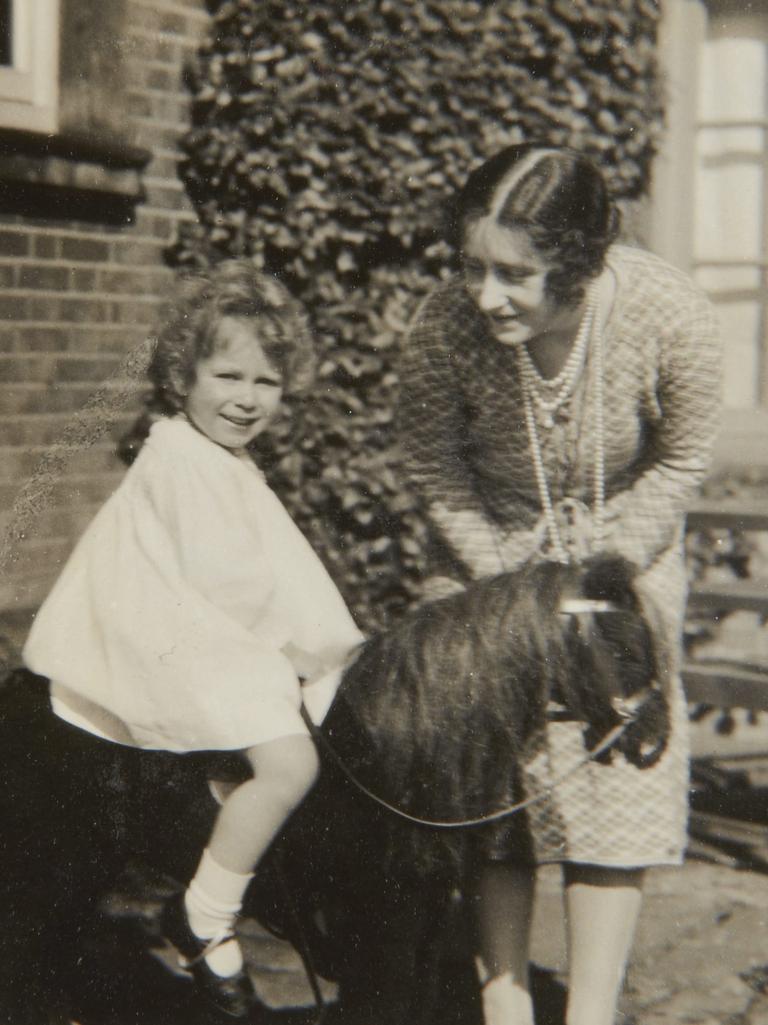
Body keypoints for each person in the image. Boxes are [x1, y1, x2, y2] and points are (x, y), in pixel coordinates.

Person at [396, 144, 722, 1025]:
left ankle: (589, 1012)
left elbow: (684, 453)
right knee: (495, 786)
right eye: (472, 266)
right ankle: (504, 1006)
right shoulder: (443, 328)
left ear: (579, 265)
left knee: (612, 777)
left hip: (622, 554)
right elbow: (433, 464)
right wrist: (509, 579)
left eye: (515, 274)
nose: (485, 295)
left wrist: (605, 564)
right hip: (487, 558)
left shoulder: (668, 314)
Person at [23, 261, 364, 1019]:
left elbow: (277, 568)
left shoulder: (225, 459)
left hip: (206, 626)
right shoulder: (179, 456)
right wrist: (289, 648)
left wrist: (322, 643)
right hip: (171, 629)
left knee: (322, 722)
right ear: (185, 376)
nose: (246, 399)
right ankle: (205, 910)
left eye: (266, 383)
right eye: (228, 375)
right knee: (288, 761)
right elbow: (225, 580)